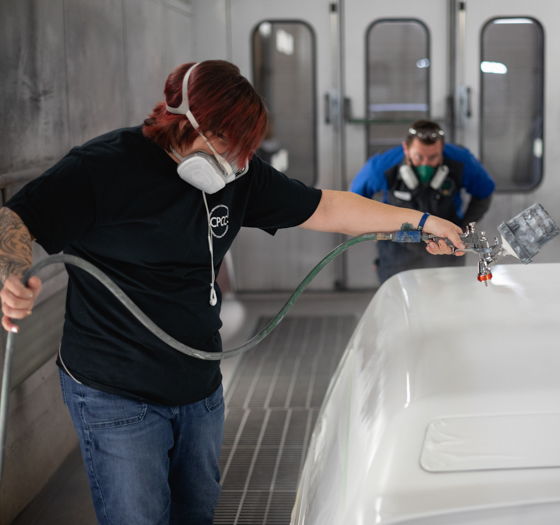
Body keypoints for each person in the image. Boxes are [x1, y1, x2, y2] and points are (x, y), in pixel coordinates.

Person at [0, 61, 464, 525]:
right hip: (115, 391)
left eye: (248, 150)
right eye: (228, 144)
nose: (239, 162)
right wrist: (11, 272)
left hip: (198, 383)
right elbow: (16, 221)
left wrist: (422, 223)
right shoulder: (100, 169)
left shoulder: (237, 175)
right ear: (183, 119)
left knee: (196, 514)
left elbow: (327, 207)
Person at [350, 119, 495, 284]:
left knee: (450, 300)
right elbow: (355, 199)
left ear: (442, 149)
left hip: (446, 249)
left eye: (433, 157)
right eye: (419, 157)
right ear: (406, 149)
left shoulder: (461, 162)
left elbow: (485, 191)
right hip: (397, 250)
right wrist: (373, 227)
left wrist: (464, 227)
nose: (425, 164)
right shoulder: (383, 165)